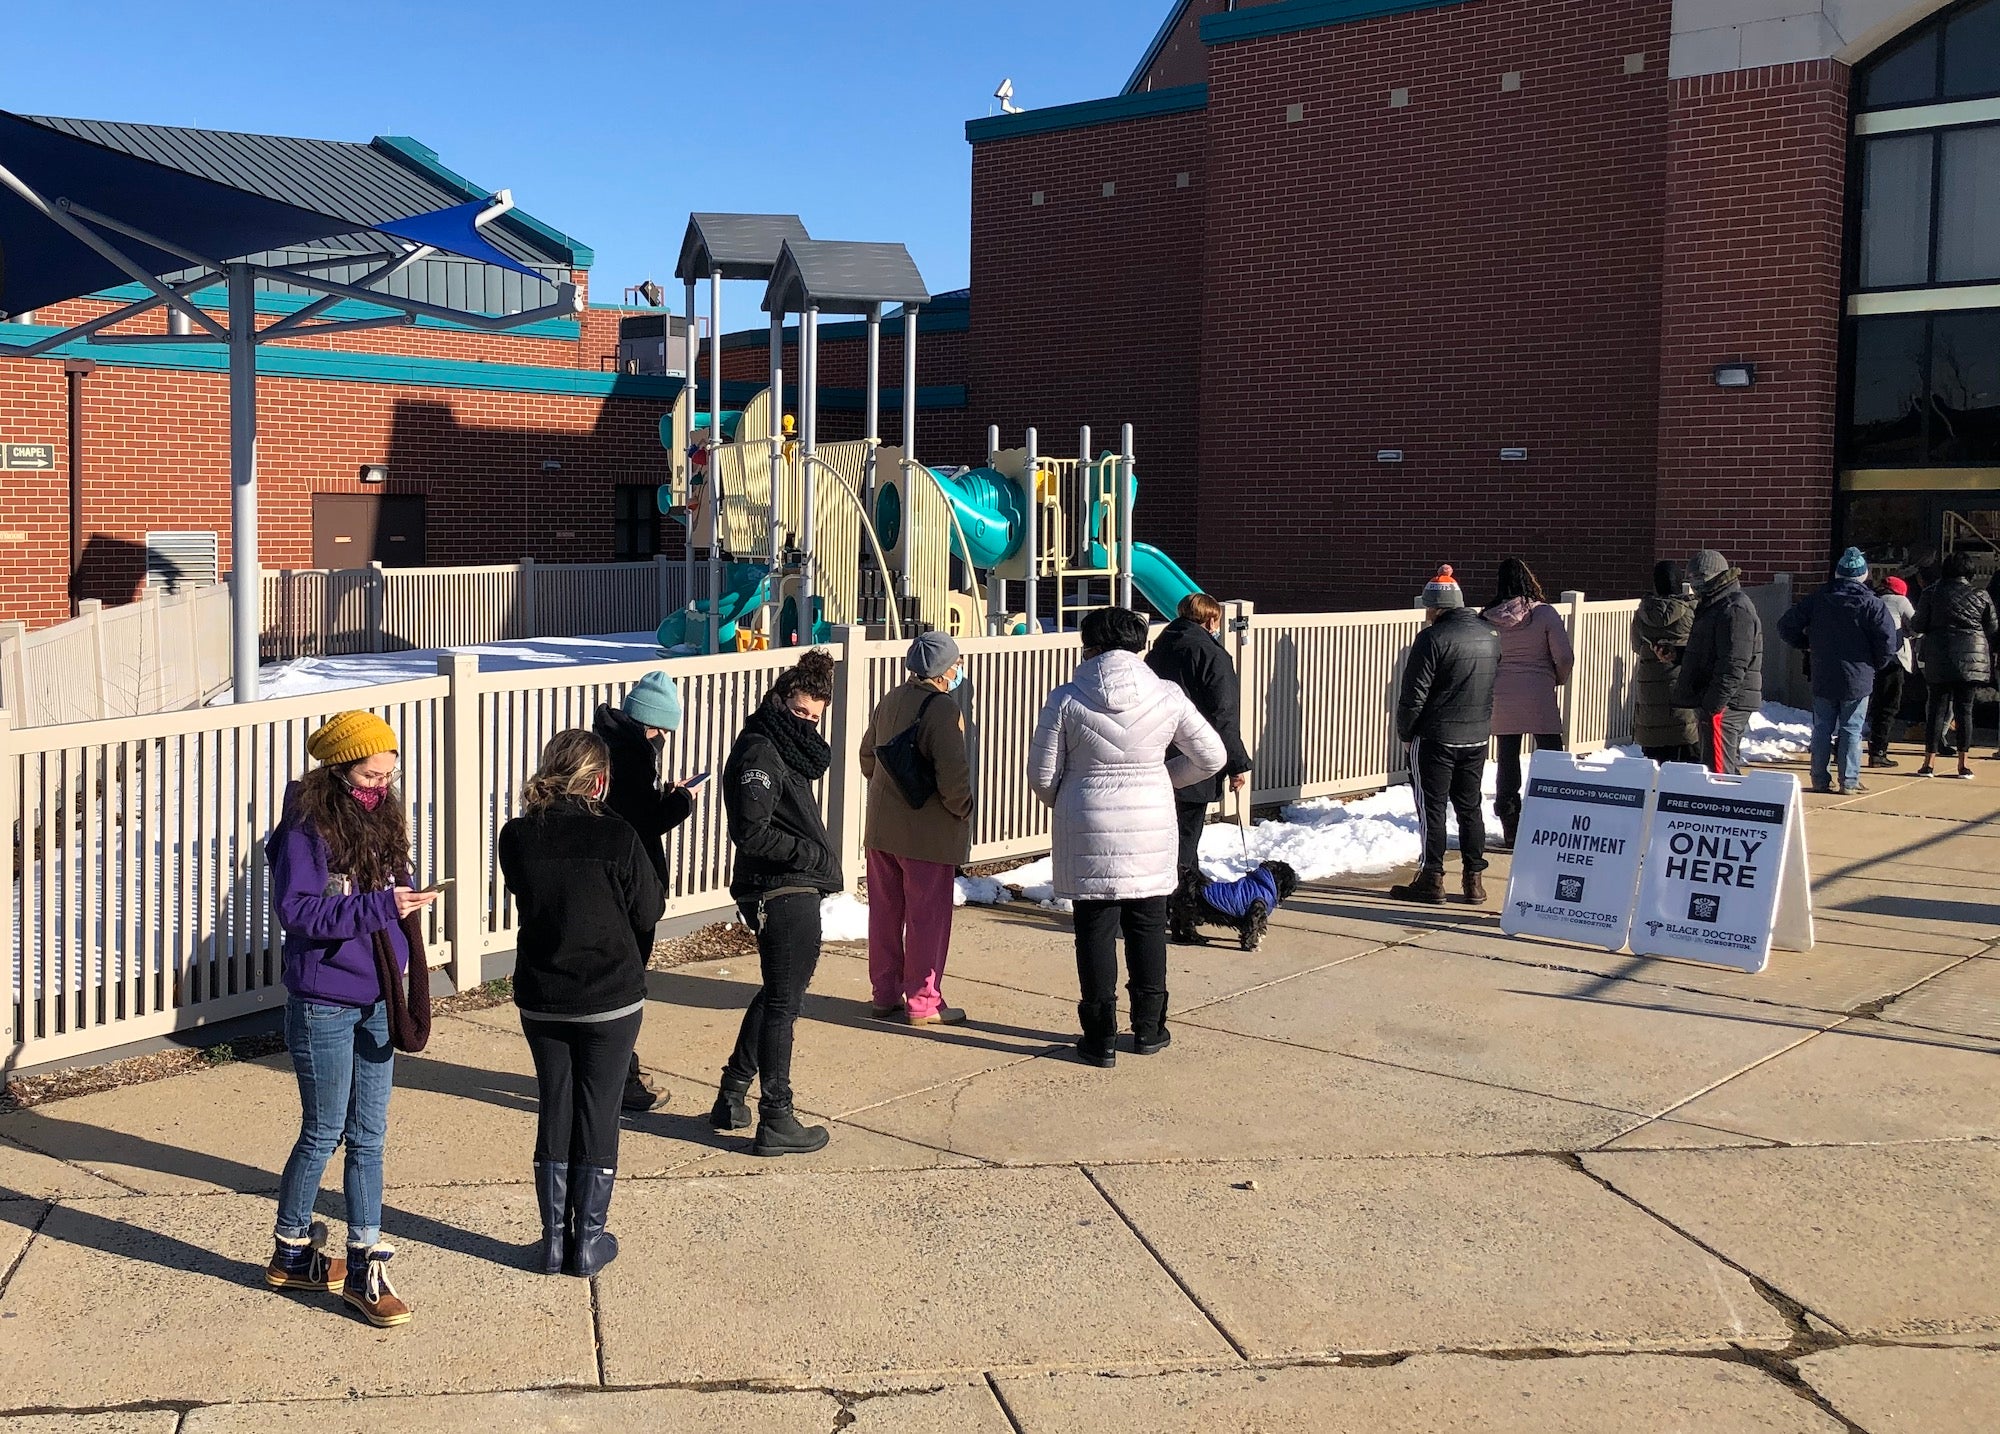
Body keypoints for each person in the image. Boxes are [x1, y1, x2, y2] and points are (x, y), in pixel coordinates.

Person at [265, 711, 438, 1328]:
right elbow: (300, 912)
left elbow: (389, 888)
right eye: (369, 773)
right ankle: (291, 1248)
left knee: (369, 1135)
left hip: (376, 996)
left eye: (388, 773)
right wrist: (376, 907)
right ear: (338, 770)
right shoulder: (304, 829)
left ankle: (363, 1257)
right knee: (323, 1130)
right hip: (322, 1000)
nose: (380, 784)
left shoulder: (382, 815)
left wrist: (406, 903)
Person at [1028, 606, 1224, 1067]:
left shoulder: (1065, 698)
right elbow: (1211, 756)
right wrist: (1163, 777)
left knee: (1094, 931)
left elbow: (1041, 777)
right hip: (1151, 825)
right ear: (1142, 647)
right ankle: (1151, 1029)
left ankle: (1099, 1040)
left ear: (1088, 647)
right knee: (1148, 927)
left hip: (1088, 824)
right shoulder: (1168, 696)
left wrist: (1071, 796)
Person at [498, 731, 664, 1278]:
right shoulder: (617, 836)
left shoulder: (516, 837)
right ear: (599, 780)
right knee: (599, 1109)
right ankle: (587, 1241)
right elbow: (648, 910)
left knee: (556, 1103)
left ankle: (551, 1240)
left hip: (543, 994)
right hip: (609, 996)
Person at [710, 650, 845, 1154]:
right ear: (779, 699)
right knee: (785, 1003)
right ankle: (777, 1116)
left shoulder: (784, 749)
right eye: (799, 712)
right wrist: (808, 853)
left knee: (776, 993)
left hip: (793, 884)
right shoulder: (760, 752)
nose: (806, 723)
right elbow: (750, 832)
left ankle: (732, 1092)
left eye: (814, 717)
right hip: (780, 888)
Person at [592, 671, 698, 1113]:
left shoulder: (606, 746)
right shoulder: (631, 759)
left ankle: (610, 1069)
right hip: (629, 890)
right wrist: (680, 802)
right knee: (625, 988)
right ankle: (620, 1076)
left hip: (607, 886)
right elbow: (641, 820)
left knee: (608, 985)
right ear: (650, 725)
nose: (663, 740)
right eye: (663, 731)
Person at [858, 631, 974, 1025]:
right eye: (956, 663)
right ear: (945, 670)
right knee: (927, 918)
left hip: (882, 829)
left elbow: (867, 756)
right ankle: (923, 1001)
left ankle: (884, 994)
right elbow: (953, 776)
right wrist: (963, 809)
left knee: (885, 914)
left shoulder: (890, 700)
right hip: (926, 833)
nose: (959, 669)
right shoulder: (942, 709)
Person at [1390, 565, 1501, 905]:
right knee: (1470, 808)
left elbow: (1414, 694)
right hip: (1476, 736)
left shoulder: (1432, 638)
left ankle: (1432, 878)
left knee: (1432, 808)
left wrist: (1406, 732)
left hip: (1436, 736)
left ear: (1436, 608)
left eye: (1427, 607)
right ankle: (1474, 880)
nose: (1426, 613)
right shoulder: (1490, 634)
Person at [1144, 592, 1254, 927]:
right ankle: (1178, 911)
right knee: (1186, 838)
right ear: (1211, 620)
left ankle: (1157, 906)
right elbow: (1222, 714)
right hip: (1194, 756)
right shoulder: (1211, 653)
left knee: (1161, 836)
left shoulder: (1158, 649)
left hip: (1155, 754)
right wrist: (1236, 763)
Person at [1777, 548, 1899, 795]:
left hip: (1824, 672)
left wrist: (1806, 644)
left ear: (1838, 573)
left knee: (1822, 727)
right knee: (1851, 729)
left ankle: (1819, 779)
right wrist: (1875, 663)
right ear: (1863, 575)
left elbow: (1786, 625)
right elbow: (1888, 642)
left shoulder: (1818, 599)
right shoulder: (1872, 604)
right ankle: (1849, 780)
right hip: (1858, 675)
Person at [1480, 558, 1573, 849]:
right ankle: (1554, 820)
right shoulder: (1544, 614)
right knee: (1551, 758)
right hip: (1539, 691)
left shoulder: (1486, 618)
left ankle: (1511, 828)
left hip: (1502, 695)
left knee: (1507, 761)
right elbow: (1565, 656)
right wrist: (1556, 678)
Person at [1669, 549, 1764, 775]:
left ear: (1716, 576)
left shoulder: (1734, 608)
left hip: (1726, 704)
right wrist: (1678, 654)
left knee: (1718, 773)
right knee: (1718, 767)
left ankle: (1728, 808)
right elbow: (1712, 651)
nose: (1694, 584)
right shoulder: (1715, 604)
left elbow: (1734, 664)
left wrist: (1713, 705)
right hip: (1718, 700)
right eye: (1690, 579)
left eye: (1699, 578)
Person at [1910, 550, 1998, 779]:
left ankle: (1928, 763)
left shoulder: (1931, 593)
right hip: (1972, 657)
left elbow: (1918, 624)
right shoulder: (1981, 595)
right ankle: (1963, 764)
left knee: (1936, 710)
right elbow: (1992, 627)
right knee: (1965, 711)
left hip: (1940, 655)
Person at [1631, 560, 1699, 765]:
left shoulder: (1643, 613)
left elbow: (1636, 646)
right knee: (1688, 761)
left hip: (1650, 694)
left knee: (1655, 765)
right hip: (1681, 689)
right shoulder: (1691, 611)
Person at [1869, 575, 1916, 769]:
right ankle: (1879, 752)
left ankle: (1842, 749)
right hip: (1893, 659)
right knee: (1888, 707)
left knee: (1865, 707)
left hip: (1869, 659)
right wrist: (1909, 634)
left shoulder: (1872, 599)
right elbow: (1917, 624)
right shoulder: (1900, 601)